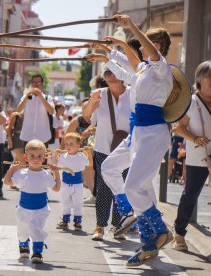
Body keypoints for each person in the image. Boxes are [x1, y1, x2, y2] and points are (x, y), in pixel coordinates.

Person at [95, 15, 174, 266]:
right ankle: (148, 240)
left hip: (153, 133)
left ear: (157, 46)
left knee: (133, 186)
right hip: (139, 132)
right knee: (117, 173)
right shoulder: (144, 70)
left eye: (147, 44)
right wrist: (114, 46)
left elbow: (143, 53)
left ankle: (158, 231)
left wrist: (130, 29)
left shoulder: (162, 68)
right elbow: (131, 61)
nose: (140, 48)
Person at [80, 68, 132, 241]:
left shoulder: (134, 94)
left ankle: (118, 225)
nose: (111, 75)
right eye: (107, 73)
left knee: (122, 187)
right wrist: (91, 103)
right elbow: (87, 117)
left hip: (126, 149)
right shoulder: (99, 94)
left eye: (115, 72)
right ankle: (100, 226)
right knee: (103, 188)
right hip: (103, 147)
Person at [173, 60, 211, 251]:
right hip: (198, 157)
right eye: (209, 76)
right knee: (191, 195)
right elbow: (178, 128)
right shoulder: (191, 102)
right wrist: (195, 138)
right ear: (200, 78)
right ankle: (179, 233)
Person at [4, 139, 61, 264]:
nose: (36, 159)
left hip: (41, 209)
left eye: (39, 156)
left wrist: (56, 173)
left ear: (44, 157)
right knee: (22, 230)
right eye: (32, 156)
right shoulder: (21, 173)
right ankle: (23, 244)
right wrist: (12, 169)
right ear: (25, 157)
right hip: (23, 209)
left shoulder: (46, 174)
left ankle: (37, 252)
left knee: (36, 229)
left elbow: (56, 188)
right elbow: (7, 182)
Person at [55, 133, 92, 231]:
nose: (68, 146)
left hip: (78, 184)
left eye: (71, 144)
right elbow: (56, 166)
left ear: (78, 145)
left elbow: (90, 165)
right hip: (65, 184)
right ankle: (65, 221)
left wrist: (88, 153)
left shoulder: (81, 156)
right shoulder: (63, 156)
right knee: (65, 202)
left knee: (78, 203)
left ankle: (77, 222)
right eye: (66, 144)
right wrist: (57, 155)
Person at [18, 74, 54, 145]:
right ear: (31, 84)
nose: (36, 84)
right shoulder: (26, 97)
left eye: (38, 82)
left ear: (42, 84)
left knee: (43, 156)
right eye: (34, 82)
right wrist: (27, 96)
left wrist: (41, 96)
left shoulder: (47, 98)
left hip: (43, 136)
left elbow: (51, 111)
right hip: (27, 135)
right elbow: (19, 109)